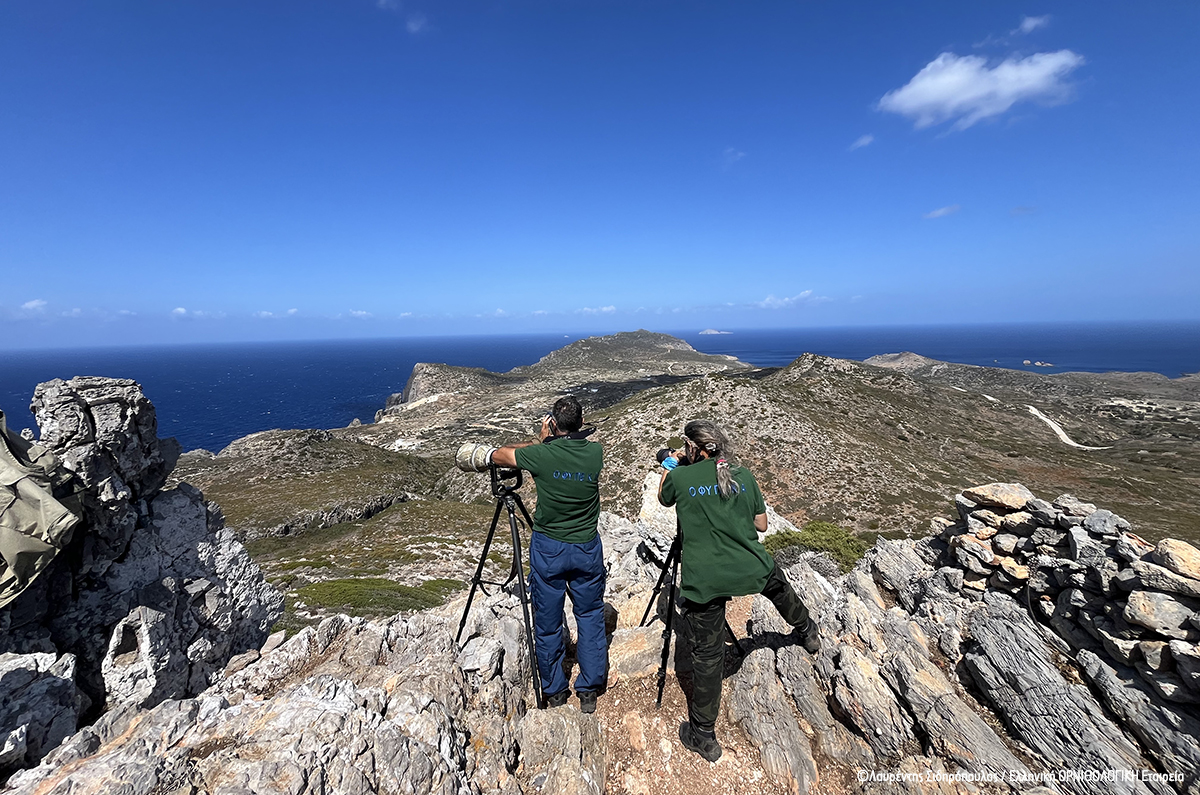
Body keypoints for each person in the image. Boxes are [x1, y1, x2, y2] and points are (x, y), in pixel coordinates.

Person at [657, 418, 819, 762]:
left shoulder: (682, 477)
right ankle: (807, 630)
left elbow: (663, 498)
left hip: (706, 578)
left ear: (694, 449)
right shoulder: (742, 474)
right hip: (749, 565)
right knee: (778, 586)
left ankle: (704, 735)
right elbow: (761, 524)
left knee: (708, 653)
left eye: (686, 446)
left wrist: (671, 464)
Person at [491, 395, 608, 713]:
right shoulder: (594, 452)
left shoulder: (541, 455)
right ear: (582, 424)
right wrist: (553, 438)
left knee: (547, 622)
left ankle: (555, 690)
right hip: (585, 547)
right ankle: (589, 688)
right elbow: (574, 448)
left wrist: (543, 439)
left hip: (550, 549)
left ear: (554, 424)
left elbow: (500, 455)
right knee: (590, 615)